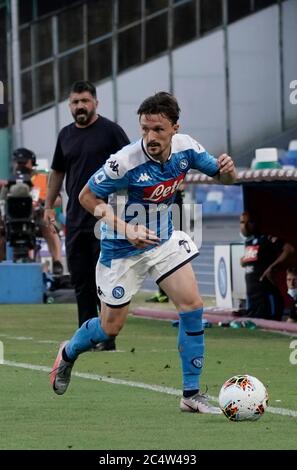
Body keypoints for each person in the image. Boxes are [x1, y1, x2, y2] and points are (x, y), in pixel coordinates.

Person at [50, 91, 236, 413]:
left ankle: (190, 394)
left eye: (158, 130)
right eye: (145, 129)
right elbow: (86, 197)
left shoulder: (187, 148)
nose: (150, 137)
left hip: (162, 240)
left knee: (192, 306)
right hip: (121, 248)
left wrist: (228, 170)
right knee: (110, 328)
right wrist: (127, 229)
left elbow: (224, 177)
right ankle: (68, 353)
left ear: (175, 128)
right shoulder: (124, 161)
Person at [44, 81, 129, 350]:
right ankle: (87, 339)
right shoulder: (65, 135)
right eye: (75, 102)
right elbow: (57, 172)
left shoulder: (111, 131)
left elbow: (131, 165)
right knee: (81, 282)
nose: (80, 106)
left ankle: (108, 338)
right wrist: (48, 206)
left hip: (106, 219)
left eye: (85, 101)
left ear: (96, 103)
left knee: (104, 280)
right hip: (75, 219)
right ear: (70, 105)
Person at [0, 147, 63, 273]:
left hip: (38, 218)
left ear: (32, 162)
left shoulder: (44, 177)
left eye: (24, 162)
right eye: (18, 162)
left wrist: (42, 203)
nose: (20, 165)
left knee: (48, 225)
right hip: (12, 220)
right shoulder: (10, 182)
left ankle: (57, 262)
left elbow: (59, 200)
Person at [240, 211, 294, 320]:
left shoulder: (265, 239)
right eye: (242, 222)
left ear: (257, 223)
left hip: (267, 301)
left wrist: (272, 267)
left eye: (249, 222)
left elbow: (289, 249)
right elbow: (250, 263)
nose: (244, 226)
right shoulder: (248, 242)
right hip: (253, 302)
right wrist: (243, 260)